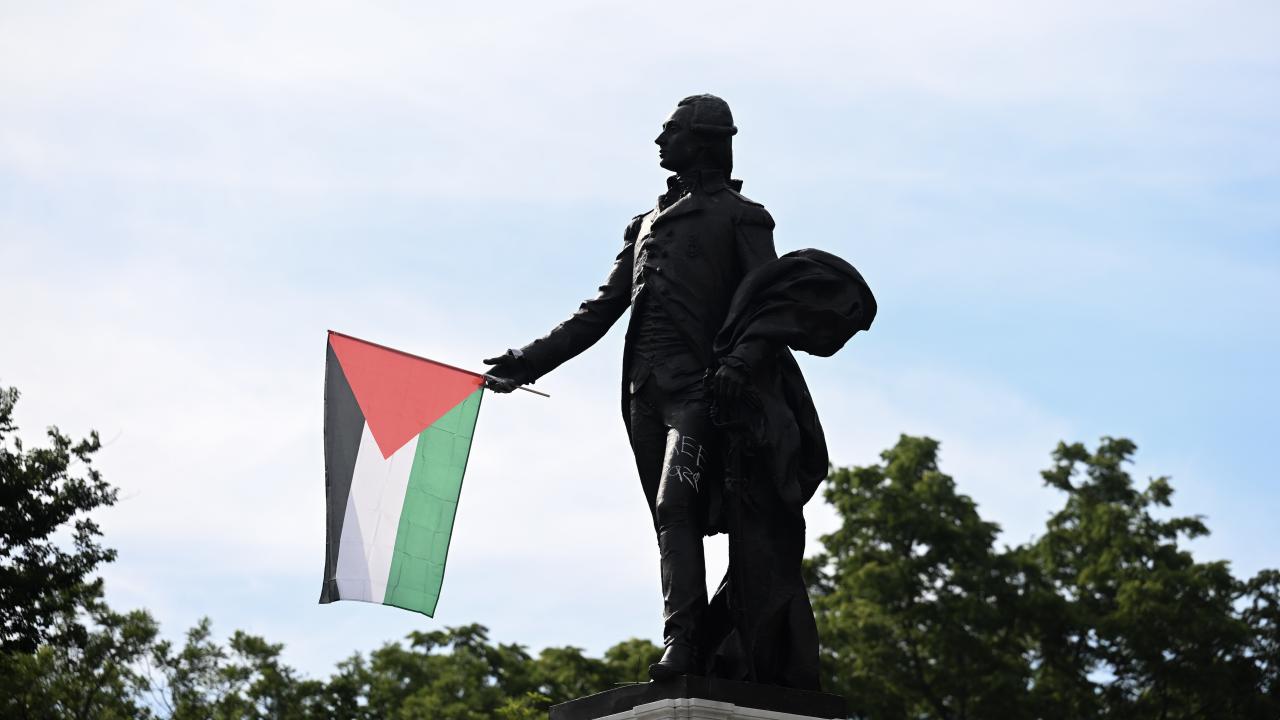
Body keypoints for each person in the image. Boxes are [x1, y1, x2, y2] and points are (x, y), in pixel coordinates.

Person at [484, 94, 875, 687]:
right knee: (669, 521)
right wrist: (526, 362)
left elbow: (766, 303)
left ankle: (684, 642)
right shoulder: (643, 224)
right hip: (645, 396)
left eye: (671, 131)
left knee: (677, 504)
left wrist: (740, 363)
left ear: (704, 139)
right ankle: (694, 638)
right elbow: (600, 311)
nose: (659, 141)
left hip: (702, 391)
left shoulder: (743, 217)